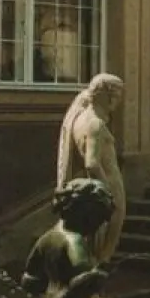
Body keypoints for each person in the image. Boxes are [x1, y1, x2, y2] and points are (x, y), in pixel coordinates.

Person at [56, 74, 126, 266]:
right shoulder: (95, 124)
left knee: (93, 244)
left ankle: (94, 276)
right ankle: (98, 275)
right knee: (103, 249)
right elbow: (92, 163)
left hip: (98, 188)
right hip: (107, 188)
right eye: (117, 96)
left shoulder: (81, 118)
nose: (117, 102)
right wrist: (107, 191)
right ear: (107, 96)